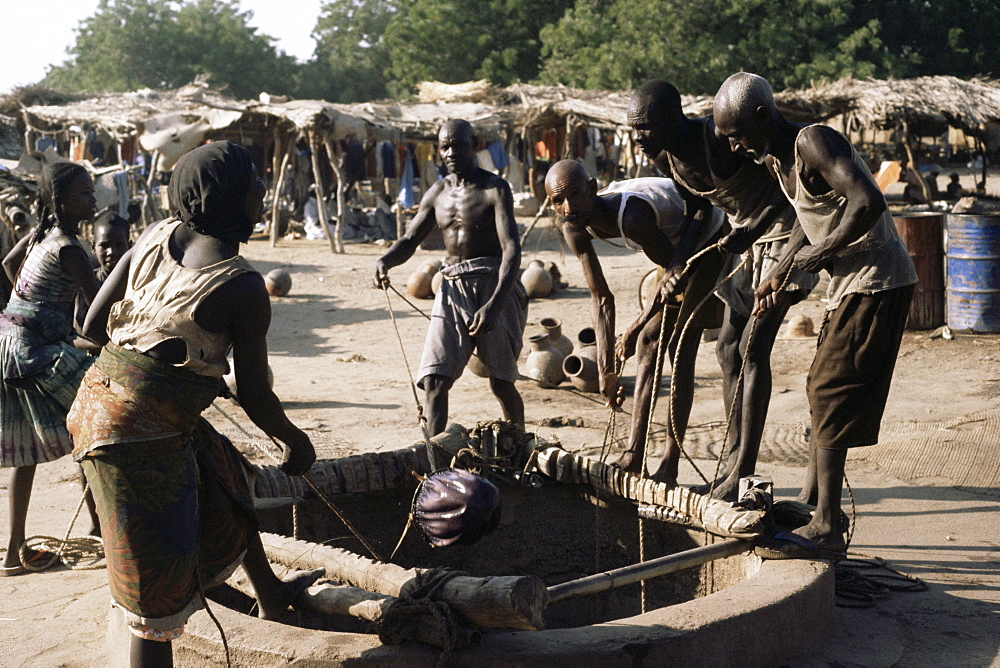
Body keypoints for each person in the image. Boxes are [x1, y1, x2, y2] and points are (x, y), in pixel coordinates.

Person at [67, 142, 320, 666]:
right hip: (134, 435)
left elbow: (91, 329)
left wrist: (174, 365)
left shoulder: (156, 234)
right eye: (254, 184)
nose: (261, 192)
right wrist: (294, 440)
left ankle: (270, 596)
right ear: (227, 194)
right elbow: (254, 393)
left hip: (97, 403)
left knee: (225, 474)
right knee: (153, 603)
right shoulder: (243, 285)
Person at [714, 73, 917, 558]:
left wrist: (816, 256)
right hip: (852, 285)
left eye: (737, 133)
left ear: (762, 115)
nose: (735, 145)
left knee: (830, 387)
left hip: (879, 279)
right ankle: (815, 503)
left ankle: (826, 526)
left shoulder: (814, 141)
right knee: (822, 387)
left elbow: (869, 201)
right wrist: (780, 271)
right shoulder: (773, 158)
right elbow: (809, 222)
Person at [627, 79, 817, 500]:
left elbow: (783, 190)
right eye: (633, 128)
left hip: (784, 234)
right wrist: (676, 262)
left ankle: (742, 472)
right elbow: (697, 209)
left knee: (752, 346)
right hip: (743, 237)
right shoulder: (665, 157)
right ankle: (732, 462)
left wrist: (751, 233)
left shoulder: (718, 139)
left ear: (672, 119)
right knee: (727, 348)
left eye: (644, 127)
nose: (637, 138)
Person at [544, 160, 725, 485]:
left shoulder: (632, 216)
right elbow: (601, 298)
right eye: (559, 200)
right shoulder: (574, 226)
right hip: (673, 249)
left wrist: (633, 327)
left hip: (707, 235)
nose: (568, 206)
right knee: (647, 343)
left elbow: (675, 274)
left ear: (593, 188)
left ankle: (669, 464)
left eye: (575, 194)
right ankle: (633, 456)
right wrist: (606, 371)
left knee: (678, 345)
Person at [373, 120, 526, 437]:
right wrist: (384, 261)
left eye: (459, 145)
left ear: (475, 146)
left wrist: (495, 305)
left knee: (501, 381)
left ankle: (518, 447)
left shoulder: (494, 189)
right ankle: (430, 458)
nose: (452, 152)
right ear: (439, 150)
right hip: (452, 286)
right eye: (446, 146)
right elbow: (410, 240)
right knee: (434, 381)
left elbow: (511, 250)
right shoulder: (437, 192)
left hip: (493, 284)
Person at [0, 162, 101, 575]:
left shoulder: (43, 235)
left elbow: (8, 263)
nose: (93, 200)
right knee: (95, 422)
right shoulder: (70, 249)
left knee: (31, 450)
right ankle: (103, 529)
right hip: (36, 351)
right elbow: (101, 307)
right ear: (61, 202)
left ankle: (12, 553)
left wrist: (36, 313)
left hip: (10, 340)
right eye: (85, 195)